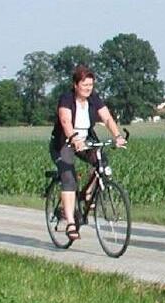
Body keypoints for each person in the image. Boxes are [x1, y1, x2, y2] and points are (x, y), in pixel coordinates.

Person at [50, 65, 126, 240]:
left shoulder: (94, 99)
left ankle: (88, 193)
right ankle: (69, 222)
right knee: (68, 178)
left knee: (102, 163)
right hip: (65, 143)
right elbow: (65, 120)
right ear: (76, 85)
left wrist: (117, 136)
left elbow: (107, 117)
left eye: (90, 85)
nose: (88, 88)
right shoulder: (67, 99)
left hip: (87, 140)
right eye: (84, 85)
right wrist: (74, 139)